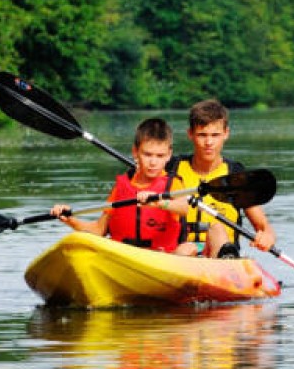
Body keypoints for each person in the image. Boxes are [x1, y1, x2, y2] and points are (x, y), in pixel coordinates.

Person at [51, 118, 226, 256]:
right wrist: (70, 219)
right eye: (147, 154)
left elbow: (184, 207)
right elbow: (98, 230)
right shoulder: (121, 186)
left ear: (168, 155)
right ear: (135, 152)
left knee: (188, 248)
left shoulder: (173, 184)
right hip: (125, 257)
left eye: (159, 156)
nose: (153, 162)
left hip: (164, 258)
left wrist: (159, 202)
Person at [167, 99, 277, 259]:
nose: (209, 142)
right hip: (183, 256)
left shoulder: (235, 175)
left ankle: (227, 258)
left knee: (217, 229)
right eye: (202, 135)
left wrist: (267, 237)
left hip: (221, 260)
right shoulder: (171, 168)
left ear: (226, 134)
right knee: (187, 249)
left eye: (215, 135)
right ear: (190, 134)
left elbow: (264, 227)